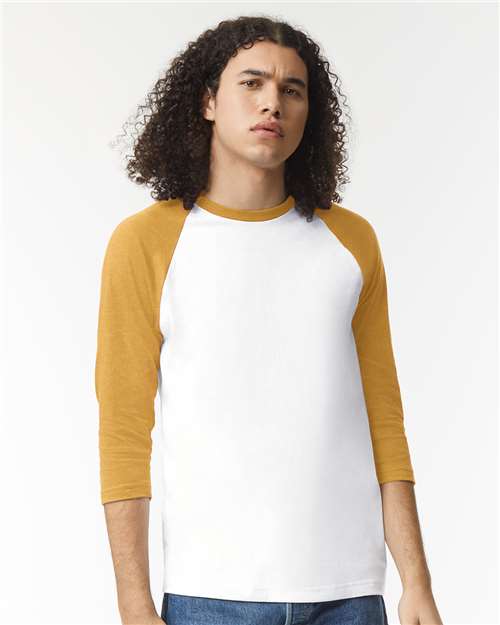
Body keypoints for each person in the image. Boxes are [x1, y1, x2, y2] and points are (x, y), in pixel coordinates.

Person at [95, 15, 443, 625]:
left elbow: (383, 421)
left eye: (292, 89)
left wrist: (417, 581)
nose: (272, 103)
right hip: (209, 595)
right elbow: (124, 432)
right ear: (208, 102)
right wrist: (133, 603)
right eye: (251, 83)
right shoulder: (146, 243)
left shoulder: (351, 242)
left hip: (349, 596)